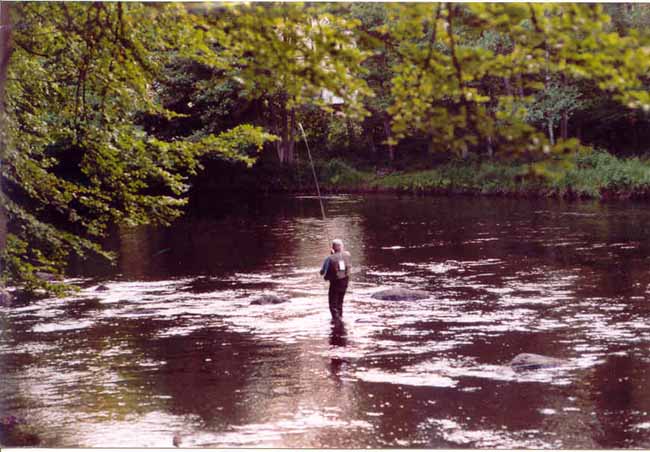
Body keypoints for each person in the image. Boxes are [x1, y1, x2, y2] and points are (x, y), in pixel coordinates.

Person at [320, 238, 351, 322]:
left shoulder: (329, 259)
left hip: (335, 283)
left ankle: (337, 322)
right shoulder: (347, 255)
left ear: (332, 248)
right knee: (340, 303)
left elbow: (322, 272)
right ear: (341, 247)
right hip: (345, 282)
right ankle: (340, 319)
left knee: (333, 305)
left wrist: (331, 255)